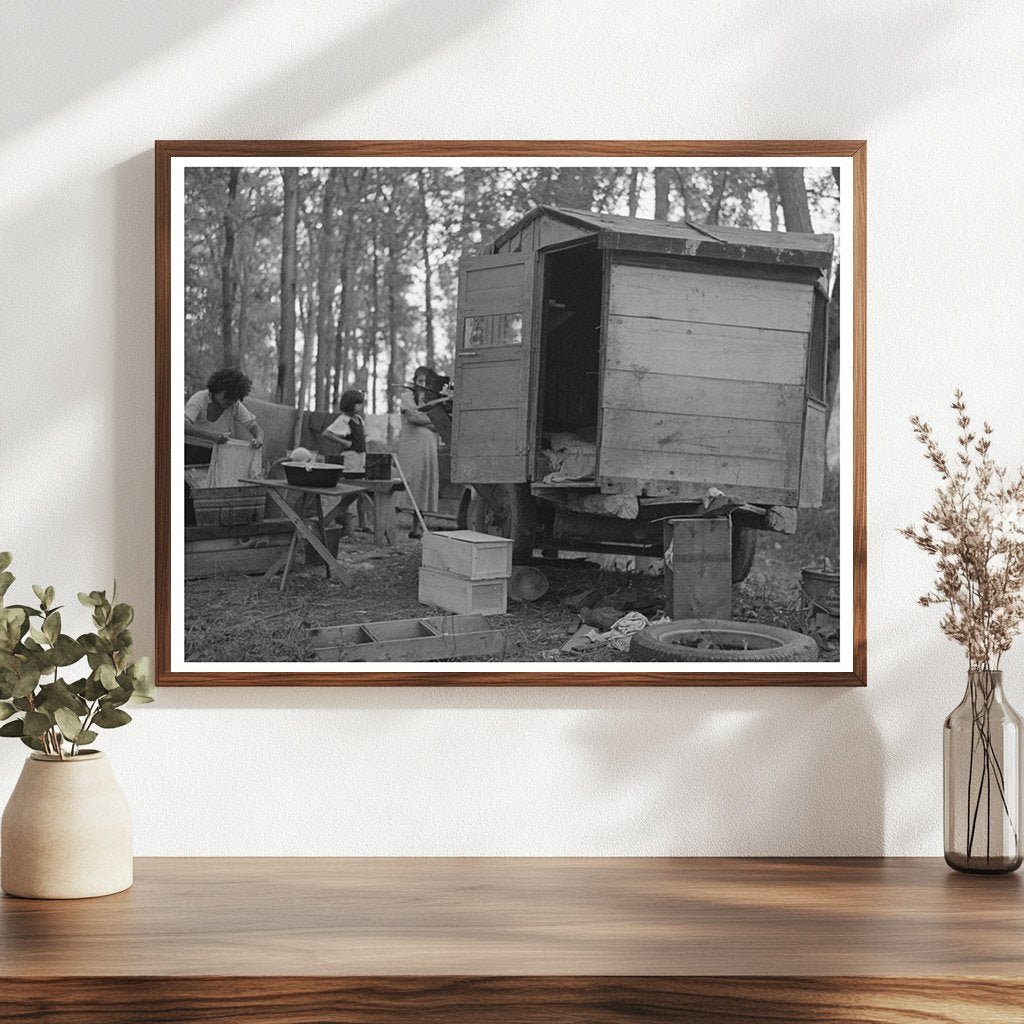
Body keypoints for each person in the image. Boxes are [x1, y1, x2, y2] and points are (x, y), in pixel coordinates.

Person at [397, 365, 439, 539]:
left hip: (428, 448)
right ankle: (394, 524)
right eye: (419, 380)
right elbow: (412, 417)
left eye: (426, 381)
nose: (422, 384)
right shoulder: (407, 397)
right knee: (410, 482)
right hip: (411, 446)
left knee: (424, 483)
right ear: (414, 381)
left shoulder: (433, 400)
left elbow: (441, 421)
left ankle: (418, 527)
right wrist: (433, 422)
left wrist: (433, 422)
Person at [184, 368, 263, 450]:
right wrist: (211, 436)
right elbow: (184, 426)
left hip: (217, 451)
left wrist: (258, 438)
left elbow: (253, 426)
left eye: (234, 399)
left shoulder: (235, 406)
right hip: (192, 448)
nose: (230, 402)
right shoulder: (199, 399)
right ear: (217, 389)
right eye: (227, 397)